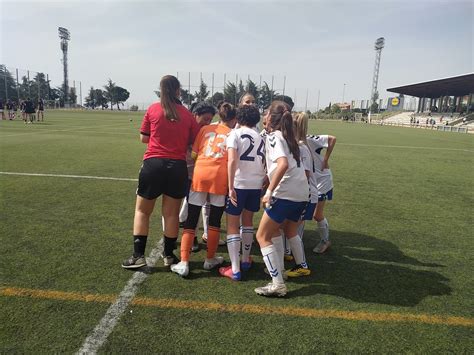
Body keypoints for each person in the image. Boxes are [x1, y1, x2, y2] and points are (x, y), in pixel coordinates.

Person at [122, 75, 200, 269]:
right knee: (171, 215)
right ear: (178, 91)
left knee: (142, 211)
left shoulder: (153, 109)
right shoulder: (187, 114)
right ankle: (169, 255)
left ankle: (138, 255)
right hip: (177, 167)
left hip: (153, 164)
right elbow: (194, 141)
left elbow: (143, 138)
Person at [171, 102, 237, 277]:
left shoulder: (204, 129)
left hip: (200, 175)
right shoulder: (232, 134)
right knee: (214, 221)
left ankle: (184, 262)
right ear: (234, 118)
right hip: (219, 178)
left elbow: (193, 154)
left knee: (191, 219)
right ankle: (210, 259)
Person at [255, 101, 310, 297]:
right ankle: (279, 272)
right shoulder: (290, 137)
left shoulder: (274, 137)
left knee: (261, 236)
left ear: (271, 117)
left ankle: (277, 283)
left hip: (285, 193)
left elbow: (283, 164)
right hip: (301, 193)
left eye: (267, 112)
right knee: (278, 231)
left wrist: (269, 190)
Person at [219, 105, 266, 281]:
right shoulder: (261, 137)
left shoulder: (234, 134)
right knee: (247, 222)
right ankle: (245, 260)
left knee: (232, 225)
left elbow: (232, 160)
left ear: (238, 118)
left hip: (239, 184)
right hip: (255, 184)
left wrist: (230, 187)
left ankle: (235, 269)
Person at [177, 101, 216, 252]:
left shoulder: (208, 133)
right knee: (173, 206)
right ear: (195, 115)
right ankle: (170, 238)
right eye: (205, 119)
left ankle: (192, 238)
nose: (208, 122)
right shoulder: (184, 128)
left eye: (210, 119)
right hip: (179, 171)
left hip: (196, 175)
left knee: (195, 207)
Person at [283, 113, 318, 273]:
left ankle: (301, 264)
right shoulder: (298, 146)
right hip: (303, 193)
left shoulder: (302, 148)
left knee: (295, 228)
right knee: (290, 227)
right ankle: (291, 255)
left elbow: (305, 174)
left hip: (306, 194)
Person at [306, 133, 337, 254]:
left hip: (321, 180)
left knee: (317, 214)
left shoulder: (309, 139)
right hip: (309, 180)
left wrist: (325, 159)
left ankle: (325, 241)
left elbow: (332, 139)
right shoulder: (290, 139)